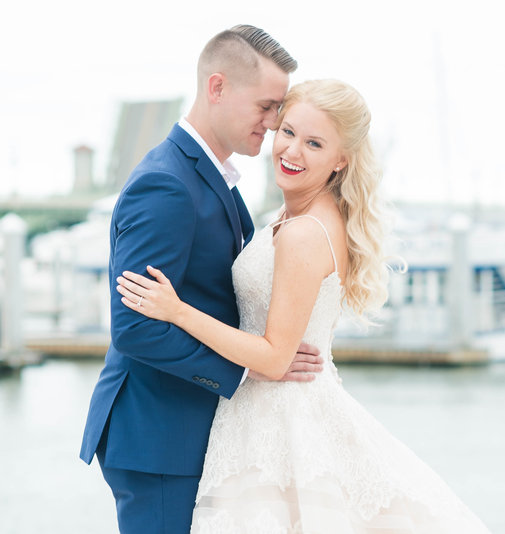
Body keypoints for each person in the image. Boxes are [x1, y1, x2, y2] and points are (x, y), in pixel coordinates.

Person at [116, 78, 493, 533]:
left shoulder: (303, 233)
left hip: (283, 421)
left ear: (342, 160)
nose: (292, 151)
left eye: (314, 143)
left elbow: (276, 357)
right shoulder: (291, 217)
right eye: (288, 132)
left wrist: (177, 311)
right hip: (269, 414)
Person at [79, 25, 325, 534]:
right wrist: (246, 370)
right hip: (159, 437)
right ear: (217, 88)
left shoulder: (214, 179)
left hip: (191, 429)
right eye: (266, 106)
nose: (274, 122)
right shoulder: (166, 184)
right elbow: (136, 327)